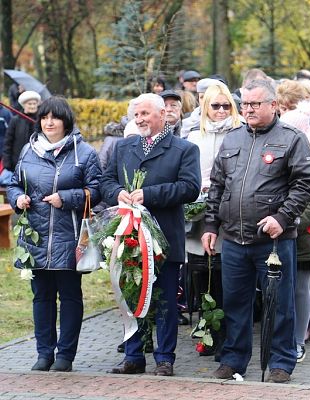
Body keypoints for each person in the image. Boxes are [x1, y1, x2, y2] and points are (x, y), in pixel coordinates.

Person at [202, 79, 310, 383]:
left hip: (274, 241)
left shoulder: (292, 139)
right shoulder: (232, 139)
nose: (248, 109)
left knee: (279, 302)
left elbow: (306, 184)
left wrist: (282, 217)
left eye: (255, 104)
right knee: (235, 303)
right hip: (234, 239)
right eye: (245, 104)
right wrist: (211, 225)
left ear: (273, 105)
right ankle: (233, 360)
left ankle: (281, 361)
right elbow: (217, 186)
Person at [101, 93, 201, 376]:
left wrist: (150, 195)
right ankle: (133, 356)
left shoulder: (183, 149)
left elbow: (190, 188)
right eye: (136, 115)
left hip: (164, 238)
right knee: (131, 296)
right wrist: (116, 192)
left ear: (162, 114)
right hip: (129, 236)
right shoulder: (124, 146)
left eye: (145, 113)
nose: (140, 119)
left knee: (166, 300)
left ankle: (165, 358)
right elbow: (106, 180)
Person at [7, 96, 102, 372]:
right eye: (45, 117)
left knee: (70, 296)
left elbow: (95, 191)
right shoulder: (28, 150)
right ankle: (44, 353)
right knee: (41, 297)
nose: (49, 122)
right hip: (35, 237)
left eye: (55, 117)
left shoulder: (84, 153)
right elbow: (14, 183)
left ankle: (65, 355)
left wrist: (66, 197)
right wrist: (18, 198)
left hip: (68, 238)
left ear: (66, 121)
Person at [185, 84, 242, 357]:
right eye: (215, 106)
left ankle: (225, 339)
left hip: (230, 217)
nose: (220, 111)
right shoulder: (194, 136)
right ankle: (206, 333)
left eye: (226, 106)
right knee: (202, 279)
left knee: (226, 279)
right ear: (205, 107)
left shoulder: (241, 133)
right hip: (198, 217)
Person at [280, 101, 310, 363]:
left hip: (303, 233)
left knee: (300, 288)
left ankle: (298, 341)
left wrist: (291, 222)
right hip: (273, 231)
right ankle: (279, 338)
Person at [3, 91, 41, 174]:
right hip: (17, 163)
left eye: (34, 104)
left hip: (37, 163)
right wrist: (7, 162)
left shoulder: (41, 121)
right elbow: (8, 142)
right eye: (30, 104)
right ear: (24, 105)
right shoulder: (15, 120)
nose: (33, 106)